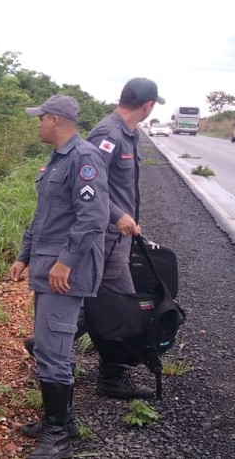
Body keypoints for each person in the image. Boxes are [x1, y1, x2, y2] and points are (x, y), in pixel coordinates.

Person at [9, 95, 109, 459]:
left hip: (65, 272)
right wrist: (24, 255)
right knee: (56, 347)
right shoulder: (57, 160)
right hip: (47, 266)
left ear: (54, 120)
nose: (37, 124)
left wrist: (65, 262)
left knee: (51, 350)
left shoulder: (84, 158)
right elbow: (44, 216)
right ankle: (60, 420)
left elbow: (94, 217)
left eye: (40, 119)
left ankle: (58, 437)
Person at [84, 77, 163, 400]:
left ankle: (48, 344)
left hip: (117, 238)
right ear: (148, 105)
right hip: (106, 237)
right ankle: (113, 377)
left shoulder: (127, 134)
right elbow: (87, 186)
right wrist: (118, 216)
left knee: (92, 296)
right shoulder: (108, 134)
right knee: (123, 307)